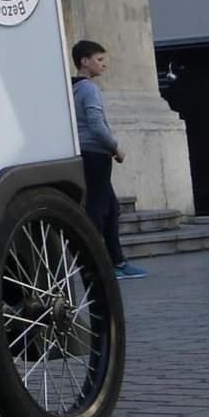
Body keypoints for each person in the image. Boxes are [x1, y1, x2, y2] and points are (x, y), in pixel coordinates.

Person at [72, 40, 145, 279]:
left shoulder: (72, 88)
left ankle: (118, 261)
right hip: (95, 153)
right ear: (85, 61)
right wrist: (115, 147)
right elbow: (95, 124)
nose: (104, 64)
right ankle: (101, 265)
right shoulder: (89, 89)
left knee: (111, 209)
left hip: (87, 153)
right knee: (99, 210)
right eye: (99, 59)